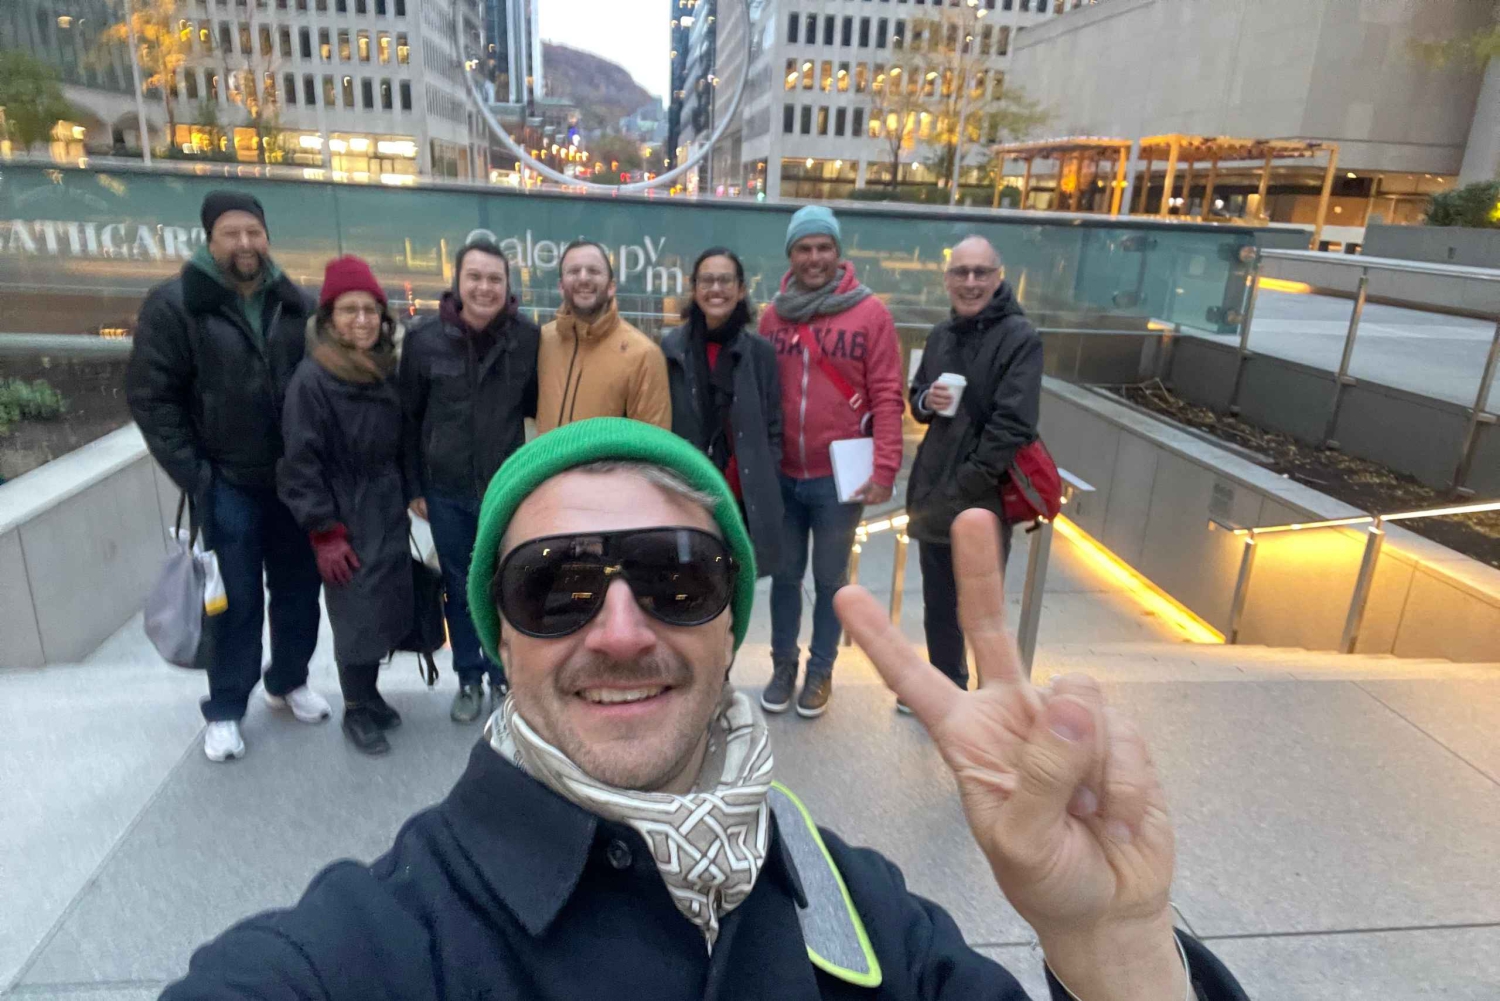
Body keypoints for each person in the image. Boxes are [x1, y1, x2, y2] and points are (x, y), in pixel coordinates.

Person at [161, 418, 1250, 1001]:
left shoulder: (855, 904)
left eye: (675, 575)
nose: (620, 629)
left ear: (729, 623)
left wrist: (1110, 945)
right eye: (555, 586)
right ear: (501, 633)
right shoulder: (382, 940)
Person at [126, 190, 328, 763]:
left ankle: (288, 680)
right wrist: (196, 474)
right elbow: (151, 396)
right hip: (226, 482)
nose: (245, 243)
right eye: (231, 233)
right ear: (210, 240)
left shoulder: (295, 303)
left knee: (299, 590)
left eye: (253, 232)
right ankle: (225, 707)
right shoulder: (175, 306)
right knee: (233, 601)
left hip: (291, 480)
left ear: (267, 237)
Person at [757, 205, 905, 719]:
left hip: (839, 479)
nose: (814, 257)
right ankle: (783, 666)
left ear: (838, 253)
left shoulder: (870, 314)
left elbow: (887, 394)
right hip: (784, 474)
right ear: (791, 255)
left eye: (823, 247)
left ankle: (820, 671)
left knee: (830, 581)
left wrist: (885, 467)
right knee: (783, 577)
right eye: (804, 248)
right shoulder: (773, 316)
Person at [400, 236, 540, 724]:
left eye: (494, 279)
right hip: (446, 491)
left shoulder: (527, 339)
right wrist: (414, 486)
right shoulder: (423, 340)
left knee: (506, 586)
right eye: (475, 277)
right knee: (458, 588)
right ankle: (468, 677)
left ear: (507, 285)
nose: (484, 287)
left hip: (505, 491)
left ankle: (504, 676)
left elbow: (537, 407)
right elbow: (408, 419)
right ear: (457, 283)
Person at [278, 256, 411, 755]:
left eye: (370, 310)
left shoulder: (383, 370)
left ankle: (370, 694)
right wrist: (324, 531)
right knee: (354, 610)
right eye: (350, 310)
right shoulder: (313, 380)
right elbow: (299, 462)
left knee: (382, 604)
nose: (362, 319)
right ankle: (355, 707)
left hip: (384, 502)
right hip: (343, 512)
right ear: (330, 319)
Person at [908, 237, 1043, 700]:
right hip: (935, 491)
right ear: (947, 280)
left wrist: (965, 484)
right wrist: (926, 400)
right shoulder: (941, 335)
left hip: (982, 499)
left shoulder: (1020, 338)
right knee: (938, 606)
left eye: (980, 272)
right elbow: (918, 397)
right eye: (960, 272)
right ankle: (947, 690)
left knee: (980, 609)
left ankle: (992, 702)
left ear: (998, 277)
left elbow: (1014, 424)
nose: (970, 282)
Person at [662, 247, 784, 576]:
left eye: (725, 280)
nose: (716, 288)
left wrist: (765, 473)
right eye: (707, 280)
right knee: (689, 586)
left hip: (742, 499)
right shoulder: (670, 350)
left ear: (741, 289)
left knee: (738, 586)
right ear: (694, 288)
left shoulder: (760, 354)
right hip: (689, 494)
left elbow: (773, 426)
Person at [535, 239, 671, 433]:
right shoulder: (543, 340)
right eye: (573, 271)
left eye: (594, 271)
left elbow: (652, 442)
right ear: (561, 286)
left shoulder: (644, 355)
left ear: (611, 287)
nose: (583, 278)